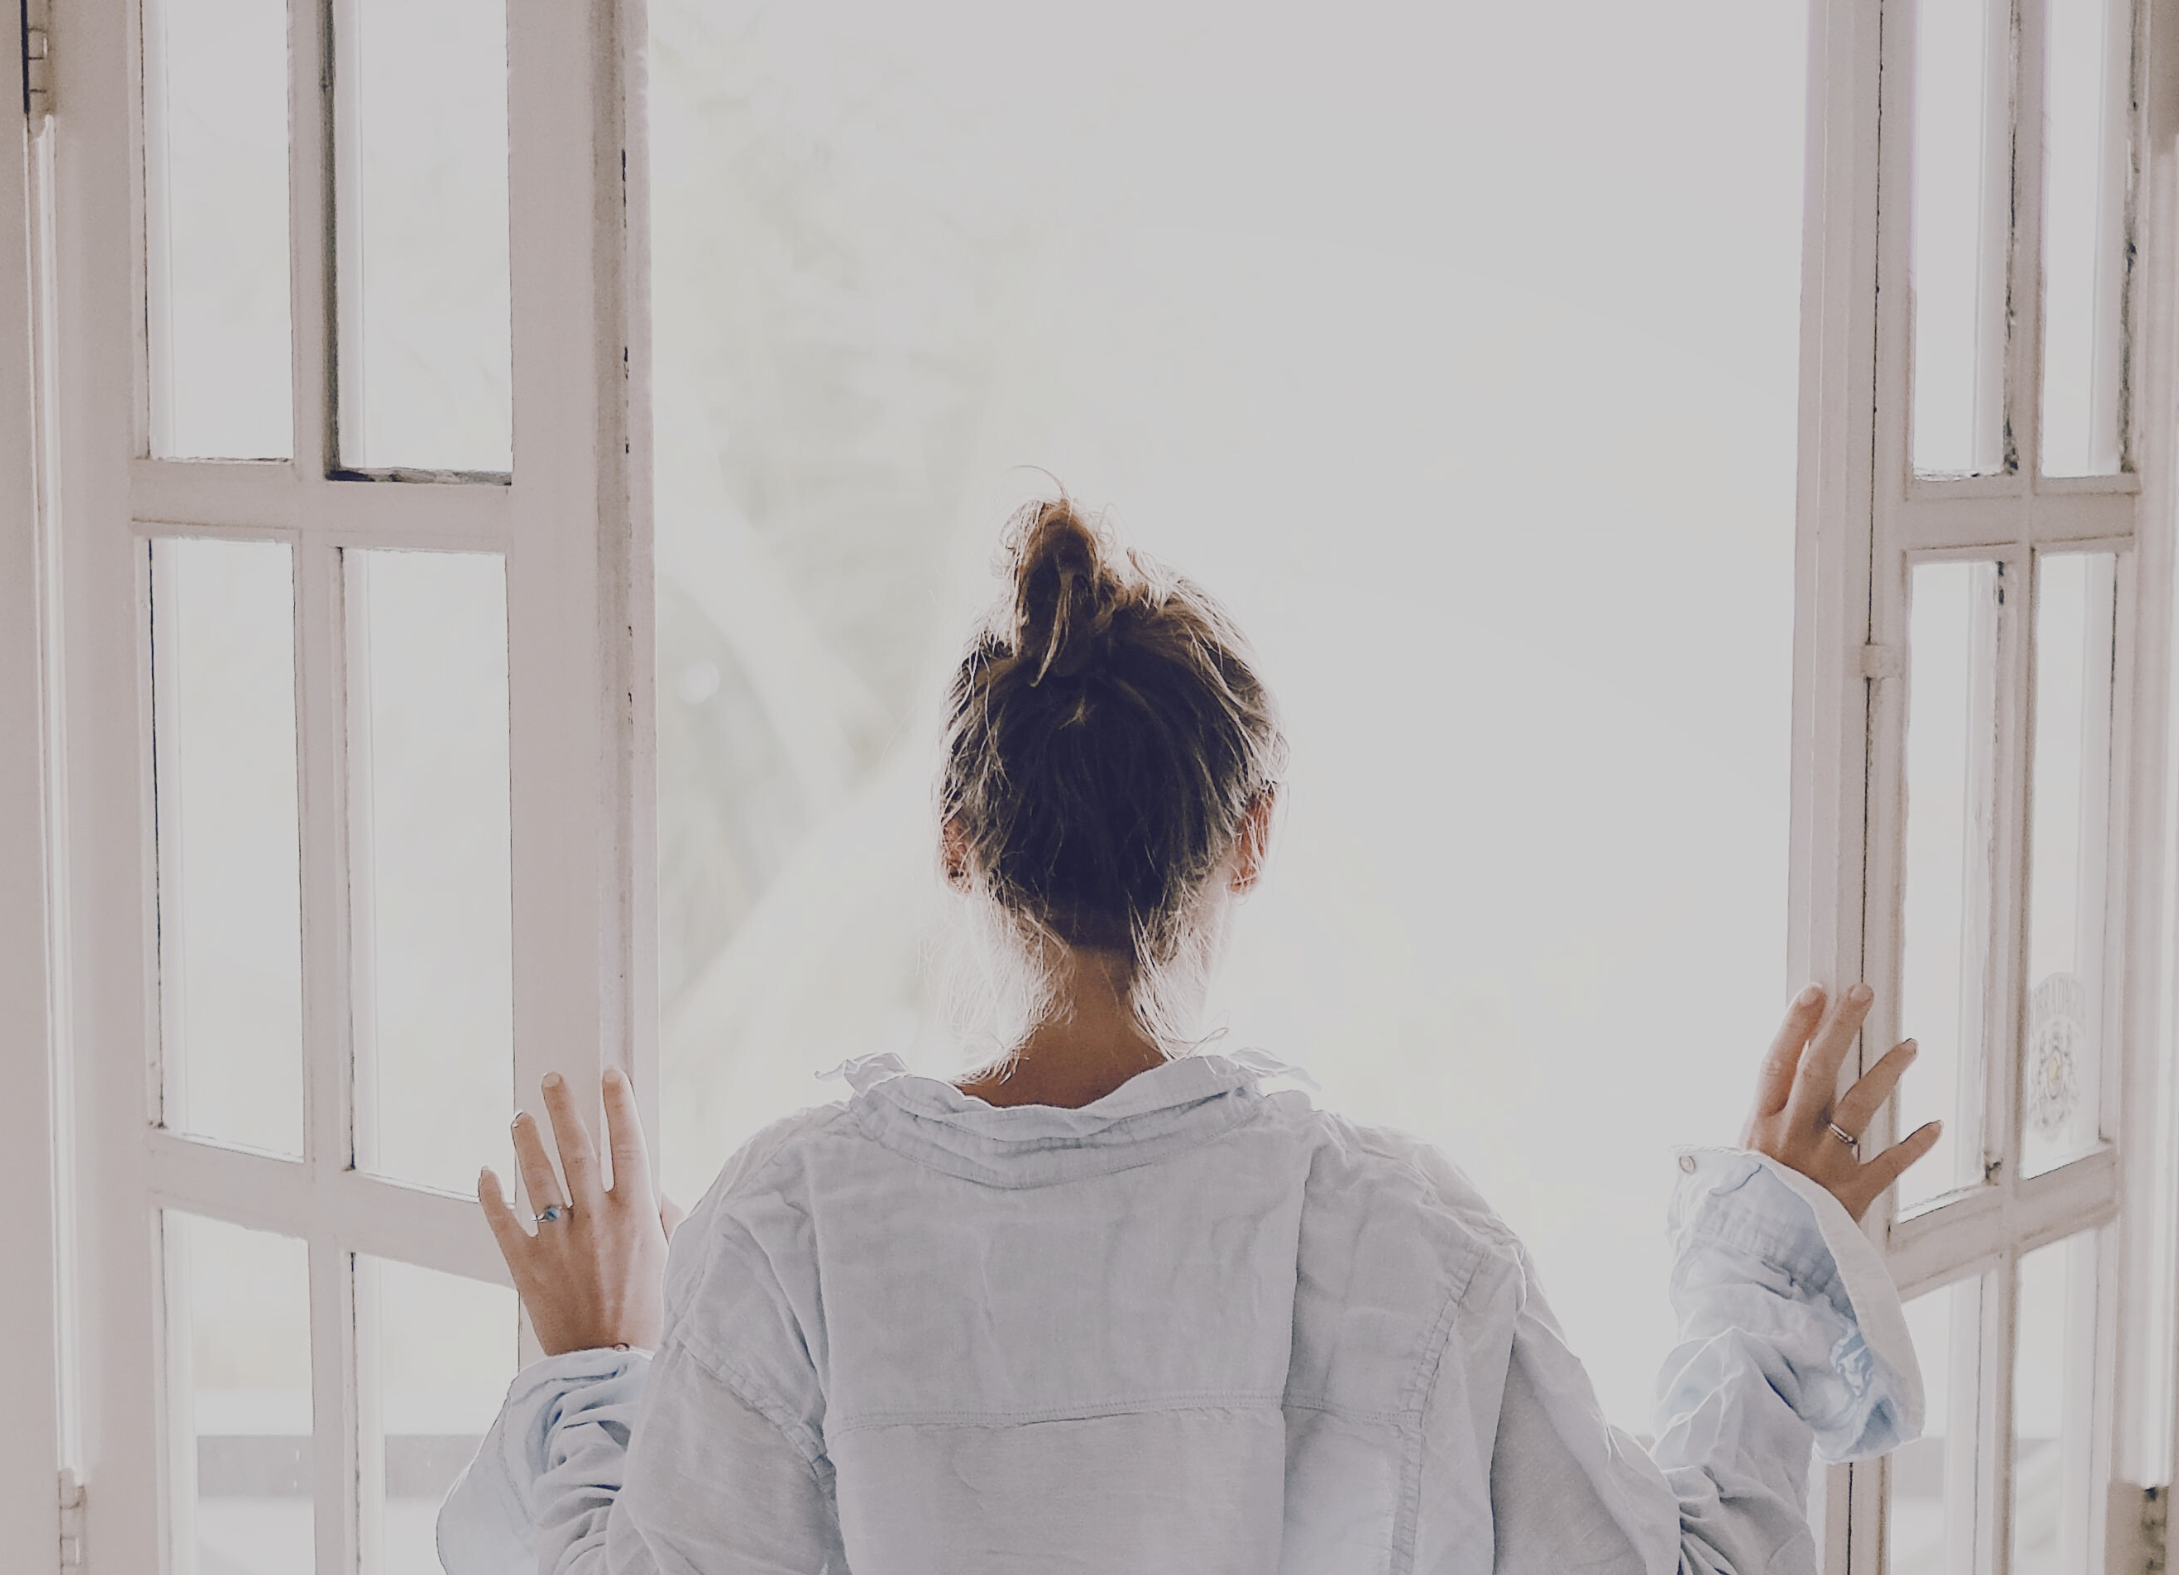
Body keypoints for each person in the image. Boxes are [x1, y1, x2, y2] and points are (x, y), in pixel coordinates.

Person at [440, 499, 1940, 1575]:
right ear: (1253, 837)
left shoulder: (791, 1227)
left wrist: (588, 1366)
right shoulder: (1398, 1245)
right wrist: (1775, 1264)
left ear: (959, 841)